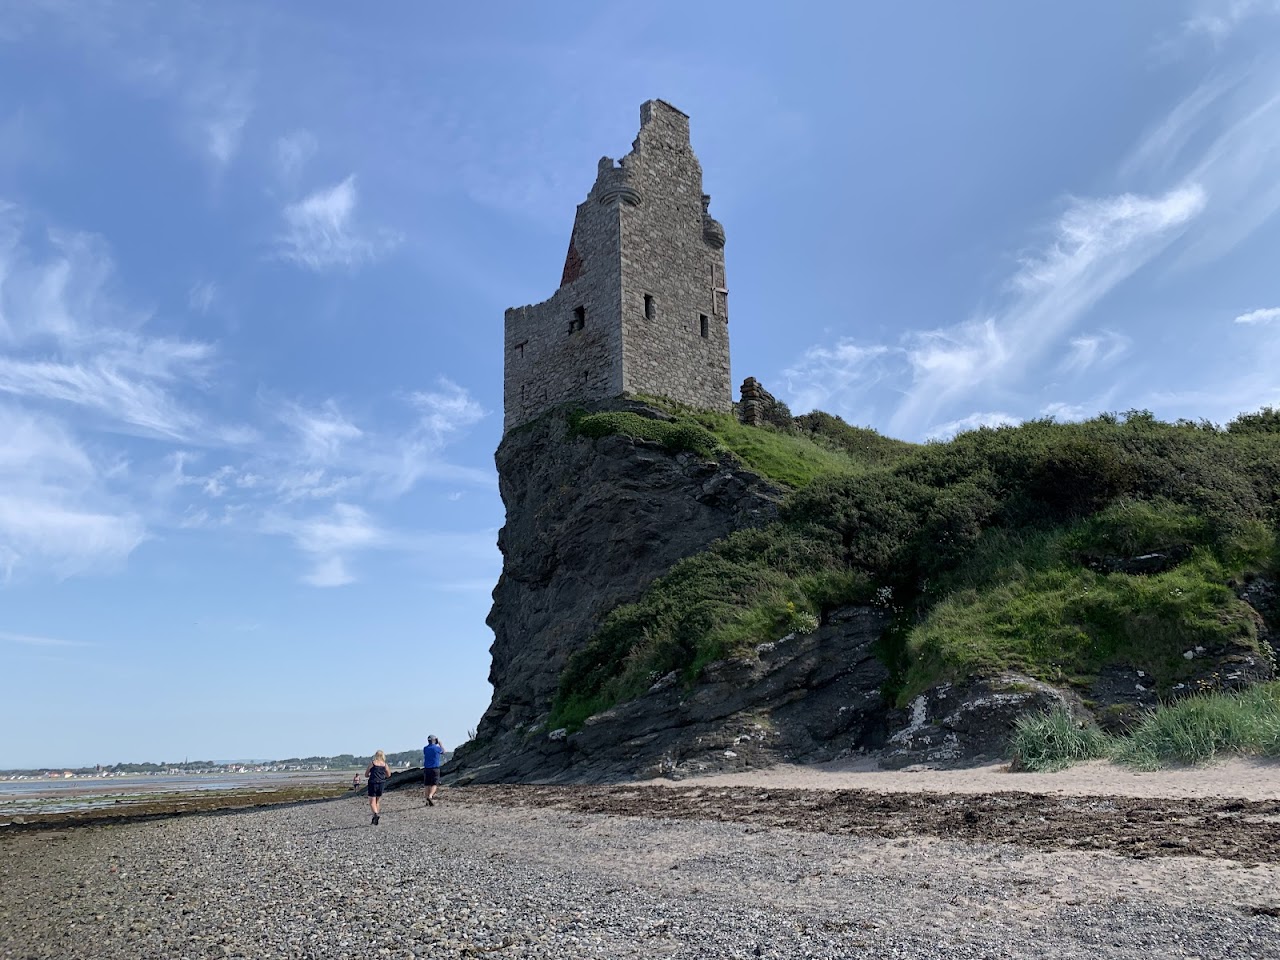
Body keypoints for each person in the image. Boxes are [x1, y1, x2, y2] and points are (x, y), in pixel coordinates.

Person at [365, 750, 390, 825]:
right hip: (381, 783)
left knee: (372, 801)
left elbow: (366, 774)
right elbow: (388, 775)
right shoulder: (385, 764)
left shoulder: (373, 763)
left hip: (373, 782)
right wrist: (382, 775)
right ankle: (375, 817)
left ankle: (375, 814)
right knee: (377, 801)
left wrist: (371, 775)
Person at [422, 735, 444, 806]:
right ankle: (430, 796)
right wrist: (440, 744)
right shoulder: (437, 748)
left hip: (427, 768)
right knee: (434, 784)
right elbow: (443, 751)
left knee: (427, 784)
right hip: (435, 768)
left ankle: (426, 800)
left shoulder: (425, 748)